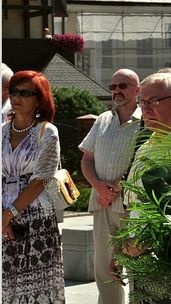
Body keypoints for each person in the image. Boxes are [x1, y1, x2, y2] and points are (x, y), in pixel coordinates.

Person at [114, 72, 171, 304]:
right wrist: (121, 247)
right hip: (139, 263)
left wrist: (146, 243)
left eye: (153, 102)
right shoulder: (145, 146)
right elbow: (131, 204)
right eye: (142, 102)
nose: (145, 109)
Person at [79, 68, 142, 304]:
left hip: (132, 207)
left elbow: (143, 161)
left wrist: (115, 188)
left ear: (138, 90)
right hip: (101, 204)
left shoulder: (146, 120)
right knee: (105, 272)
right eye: (113, 86)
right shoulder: (103, 119)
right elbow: (86, 158)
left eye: (123, 86)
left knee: (137, 268)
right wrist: (98, 187)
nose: (116, 91)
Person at [2, 70, 64, 302]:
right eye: (14, 91)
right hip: (3, 218)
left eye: (25, 93)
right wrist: (3, 216)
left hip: (36, 219)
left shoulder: (47, 132)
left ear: (39, 99)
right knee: (7, 287)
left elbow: (40, 180)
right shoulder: (1, 132)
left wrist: (10, 213)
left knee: (38, 291)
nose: (16, 97)